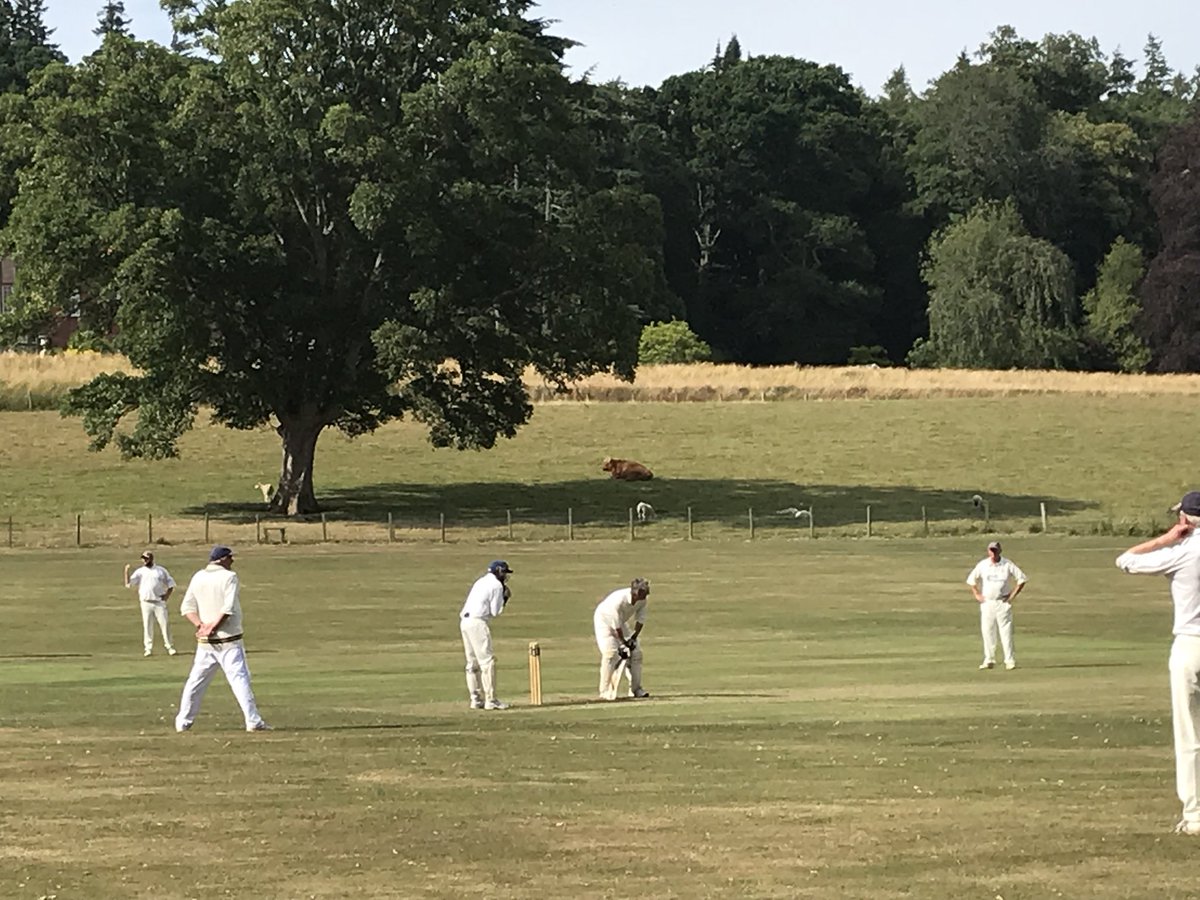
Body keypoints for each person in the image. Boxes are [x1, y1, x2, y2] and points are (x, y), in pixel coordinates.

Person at [1116, 491, 1200, 836]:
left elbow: (1125, 560)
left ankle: (1196, 815)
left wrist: (1166, 538)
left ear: (1185, 518)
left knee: (1190, 734)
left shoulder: (1182, 551)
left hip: (1191, 645)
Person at [174, 545, 270, 733]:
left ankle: (183, 722)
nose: (232, 561)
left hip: (206, 643)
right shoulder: (229, 577)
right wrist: (211, 628)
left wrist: (201, 626)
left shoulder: (198, 576)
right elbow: (228, 608)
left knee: (195, 682)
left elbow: (187, 608)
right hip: (229, 641)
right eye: (230, 558)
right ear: (223, 559)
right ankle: (253, 721)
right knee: (240, 680)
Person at [459, 560, 513, 710]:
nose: (506, 577)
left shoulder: (481, 581)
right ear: (500, 572)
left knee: (472, 663)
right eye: (505, 573)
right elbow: (495, 611)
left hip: (465, 622)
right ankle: (491, 700)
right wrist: (505, 598)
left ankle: (475, 699)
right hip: (478, 622)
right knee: (487, 662)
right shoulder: (496, 585)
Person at [965, 541, 1027, 670]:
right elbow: (971, 580)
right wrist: (977, 594)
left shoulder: (1007, 564)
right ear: (988, 551)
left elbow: (1022, 579)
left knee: (1006, 632)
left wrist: (1012, 596)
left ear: (1000, 551)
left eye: (995, 550)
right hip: (987, 602)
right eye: (991, 550)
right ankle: (989, 659)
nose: (993, 553)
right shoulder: (983, 565)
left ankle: (1009, 660)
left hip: (1002, 602)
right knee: (987, 631)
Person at [593, 577, 651, 700]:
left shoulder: (643, 600)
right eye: (643, 592)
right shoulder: (617, 601)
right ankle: (604, 691)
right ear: (635, 592)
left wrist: (633, 639)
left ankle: (636, 689)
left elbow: (640, 620)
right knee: (611, 654)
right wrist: (623, 643)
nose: (645, 595)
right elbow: (616, 629)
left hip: (620, 622)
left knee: (636, 654)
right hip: (603, 620)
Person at [123, 550, 177, 657]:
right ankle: (148, 648)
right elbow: (129, 583)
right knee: (147, 625)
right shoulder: (140, 571)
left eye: (146, 558)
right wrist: (126, 571)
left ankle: (169, 647)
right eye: (143, 558)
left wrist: (166, 596)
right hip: (146, 602)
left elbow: (171, 584)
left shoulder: (160, 571)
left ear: (151, 559)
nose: (144, 560)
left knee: (164, 625)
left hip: (159, 602)